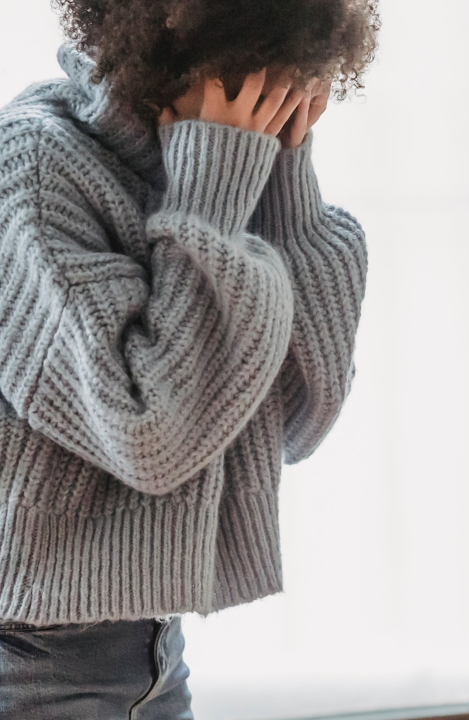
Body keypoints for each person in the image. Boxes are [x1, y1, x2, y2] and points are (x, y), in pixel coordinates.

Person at [0, 1, 378, 716]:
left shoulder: (213, 163)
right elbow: (150, 435)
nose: (285, 101)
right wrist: (215, 189)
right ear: (193, 61)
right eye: (266, 81)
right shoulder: (36, 168)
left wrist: (285, 181)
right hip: (30, 662)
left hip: (153, 650)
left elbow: (298, 420)